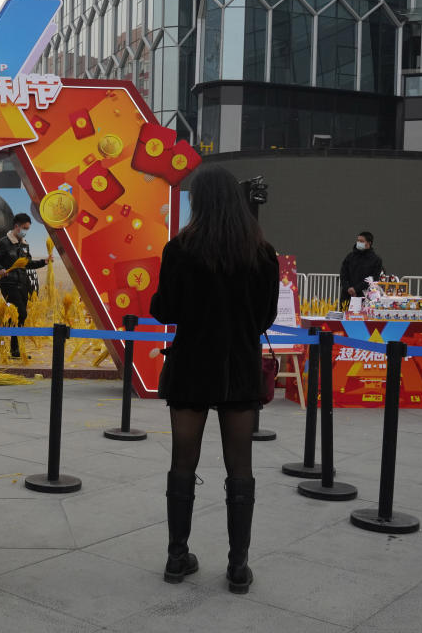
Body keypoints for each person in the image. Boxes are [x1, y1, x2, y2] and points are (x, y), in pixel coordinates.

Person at [149, 164, 279, 596]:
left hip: (190, 367)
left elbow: (165, 310)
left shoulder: (180, 250)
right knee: (240, 466)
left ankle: (176, 556)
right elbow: (266, 317)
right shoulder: (262, 254)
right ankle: (238, 566)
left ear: (199, 202)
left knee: (182, 462)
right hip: (238, 371)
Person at [0, 213, 50, 358]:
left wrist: (43, 262)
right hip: (9, 284)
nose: (25, 231)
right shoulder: (2, 243)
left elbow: (27, 264)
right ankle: (2, 329)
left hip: (23, 283)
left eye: (27, 229)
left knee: (20, 318)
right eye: (24, 228)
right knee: (21, 313)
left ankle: (15, 350)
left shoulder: (25, 244)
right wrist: (0, 269)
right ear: (16, 227)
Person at [339, 231, 382, 306]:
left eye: (361, 241)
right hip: (347, 295)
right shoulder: (350, 256)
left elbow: (374, 278)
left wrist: (356, 289)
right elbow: (343, 273)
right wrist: (348, 288)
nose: (358, 243)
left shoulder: (376, 260)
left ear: (369, 243)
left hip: (365, 296)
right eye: (358, 240)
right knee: (345, 314)